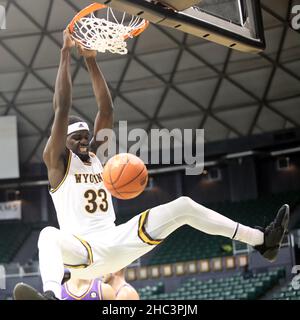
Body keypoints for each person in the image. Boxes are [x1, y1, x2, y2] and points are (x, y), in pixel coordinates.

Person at [13, 29, 290, 300]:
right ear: (64, 140)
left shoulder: (95, 155)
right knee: (48, 234)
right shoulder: (57, 164)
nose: (84, 142)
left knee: (183, 206)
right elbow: (62, 107)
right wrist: (65, 54)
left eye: (86, 136)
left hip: (116, 241)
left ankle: (262, 241)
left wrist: (90, 59)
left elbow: (106, 110)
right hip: (83, 252)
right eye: (77, 138)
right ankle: (49, 295)